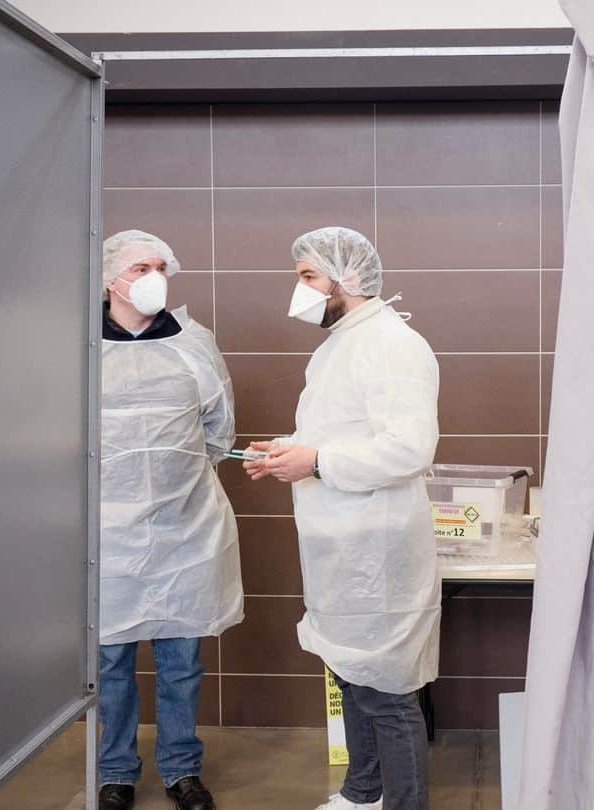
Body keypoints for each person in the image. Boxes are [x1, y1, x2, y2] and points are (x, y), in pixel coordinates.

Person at [241, 226, 440, 810]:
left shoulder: (392, 344)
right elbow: (336, 435)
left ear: (346, 280)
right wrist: (288, 453)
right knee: (350, 675)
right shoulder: (340, 345)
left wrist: (317, 460)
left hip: (375, 550)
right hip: (339, 546)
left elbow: (408, 448)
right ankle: (363, 793)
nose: (298, 290)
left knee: (387, 691)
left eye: (306, 277)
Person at [98, 230, 242, 810]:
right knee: (110, 665)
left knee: (181, 662)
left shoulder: (193, 343)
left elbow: (219, 432)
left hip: (184, 529)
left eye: (160, 266)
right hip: (106, 537)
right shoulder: (76, 344)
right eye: (140, 267)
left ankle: (182, 771)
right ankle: (114, 773)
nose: (154, 276)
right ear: (111, 278)